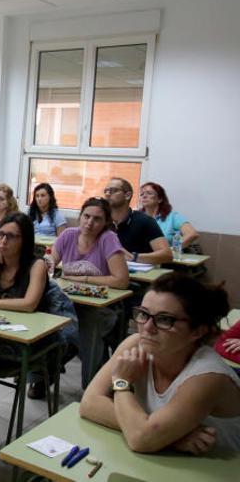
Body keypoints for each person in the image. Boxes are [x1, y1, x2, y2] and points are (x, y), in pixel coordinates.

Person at [79, 272, 240, 452]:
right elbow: (89, 403)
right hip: (167, 461)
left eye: (164, 319)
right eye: (143, 314)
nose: (147, 328)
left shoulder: (209, 376)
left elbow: (140, 439)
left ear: (197, 332)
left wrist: (121, 383)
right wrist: (172, 438)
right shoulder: (135, 345)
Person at [0, 212, 80, 398]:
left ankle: (41, 378)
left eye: (10, 236)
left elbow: (29, 304)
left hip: (25, 338)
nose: (3, 240)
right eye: (0, 234)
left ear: (24, 240)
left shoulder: (36, 265)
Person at [51, 197, 129, 386]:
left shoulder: (108, 239)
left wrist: (83, 279)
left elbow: (121, 280)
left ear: (105, 223)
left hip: (102, 309)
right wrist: (47, 266)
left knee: (86, 329)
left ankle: (92, 386)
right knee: (48, 325)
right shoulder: (68, 235)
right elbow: (50, 264)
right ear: (80, 216)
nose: (90, 222)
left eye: (97, 219)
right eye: (86, 216)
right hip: (68, 303)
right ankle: (41, 377)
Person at [104, 178, 172, 265]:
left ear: (127, 195)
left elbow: (167, 255)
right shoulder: (102, 220)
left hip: (138, 275)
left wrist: (133, 257)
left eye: (113, 190)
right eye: (105, 191)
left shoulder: (145, 221)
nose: (107, 194)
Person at [139, 181, 200, 251]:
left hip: (163, 259)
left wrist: (172, 250)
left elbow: (192, 234)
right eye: (141, 194)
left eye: (149, 193)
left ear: (160, 199)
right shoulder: (135, 217)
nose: (144, 196)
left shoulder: (172, 216)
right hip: (138, 256)